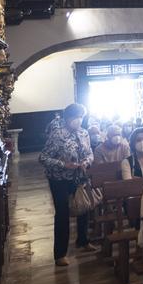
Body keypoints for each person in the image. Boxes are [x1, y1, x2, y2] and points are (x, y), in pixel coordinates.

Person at [38, 104, 96, 266]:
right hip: (59, 179)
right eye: (75, 117)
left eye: (81, 117)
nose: (78, 120)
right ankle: (60, 254)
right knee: (63, 213)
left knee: (83, 207)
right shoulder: (58, 135)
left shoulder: (84, 133)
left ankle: (83, 241)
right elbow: (43, 158)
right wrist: (64, 164)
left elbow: (90, 152)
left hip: (79, 176)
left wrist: (87, 161)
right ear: (67, 118)